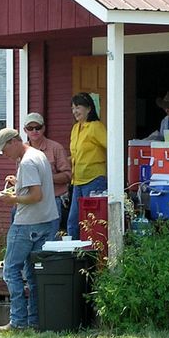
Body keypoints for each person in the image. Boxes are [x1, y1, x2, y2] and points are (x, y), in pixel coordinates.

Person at [0, 128, 59, 331]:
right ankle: (35, 320)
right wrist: (18, 183)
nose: (4, 154)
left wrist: (11, 199)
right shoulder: (38, 155)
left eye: (4, 149)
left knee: (11, 270)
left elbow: (35, 195)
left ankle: (18, 321)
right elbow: (36, 187)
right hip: (47, 220)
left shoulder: (27, 161)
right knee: (33, 274)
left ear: (14, 141)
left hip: (27, 223)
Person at [23, 112, 71, 239]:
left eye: (38, 127)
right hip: (29, 201)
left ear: (43, 128)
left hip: (52, 200)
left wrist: (46, 178)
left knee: (49, 239)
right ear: (25, 130)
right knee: (27, 239)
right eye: (30, 128)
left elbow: (67, 176)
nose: (34, 131)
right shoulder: (22, 150)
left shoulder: (56, 148)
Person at [67, 92, 107, 240]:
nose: (75, 111)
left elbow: (112, 146)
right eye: (72, 108)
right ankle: (75, 257)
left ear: (89, 108)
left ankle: (94, 257)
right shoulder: (76, 128)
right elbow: (77, 154)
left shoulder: (96, 127)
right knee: (73, 222)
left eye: (78, 107)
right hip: (77, 181)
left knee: (92, 223)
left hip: (94, 180)